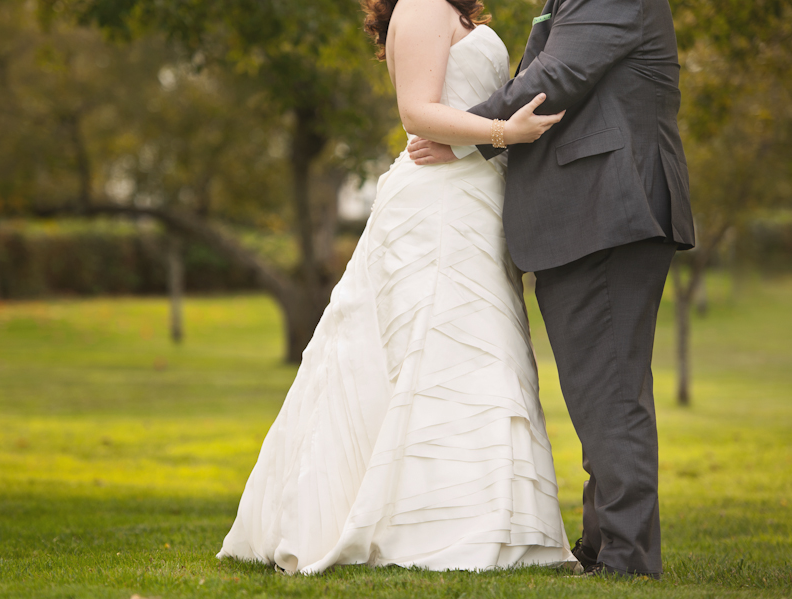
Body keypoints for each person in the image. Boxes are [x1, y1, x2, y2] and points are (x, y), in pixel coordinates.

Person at [217, 0, 578, 574]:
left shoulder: (458, 14)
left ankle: (493, 524)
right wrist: (503, 133)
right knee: (435, 347)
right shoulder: (419, 5)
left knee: (481, 352)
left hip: (476, 195)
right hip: (437, 202)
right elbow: (417, 113)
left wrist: (488, 142)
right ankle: (427, 526)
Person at [407, 0, 695, 580]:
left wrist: (466, 136)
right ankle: (603, 543)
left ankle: (626, 558)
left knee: (610, 389)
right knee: (602, 387)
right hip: (588, 211)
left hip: (606, 206)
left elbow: (554, 79)